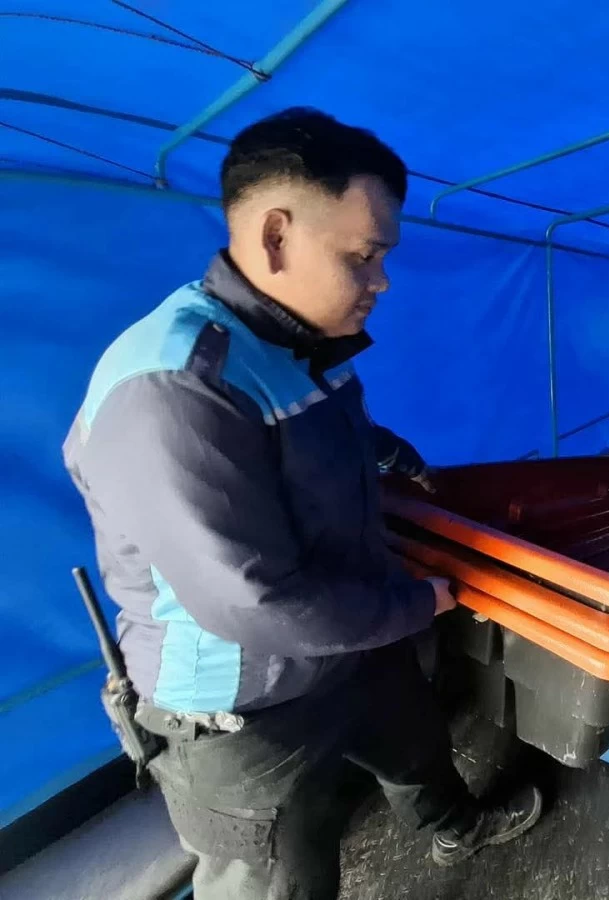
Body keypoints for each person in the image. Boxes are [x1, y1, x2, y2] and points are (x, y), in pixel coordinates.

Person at [64, 108, 542, 899]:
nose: (381, 281)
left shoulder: (293, 343)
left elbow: (323, 427)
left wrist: (396, 458)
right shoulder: (174, 385)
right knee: (281, 870)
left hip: (349, 634)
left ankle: (452, 827)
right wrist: (422, 600)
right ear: (276, 236)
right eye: (365, 256)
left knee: (414, 741)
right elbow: (256, 605)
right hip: (245, 703)